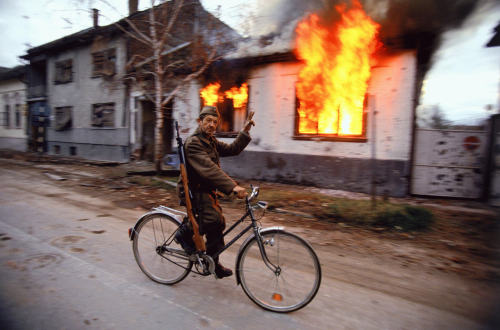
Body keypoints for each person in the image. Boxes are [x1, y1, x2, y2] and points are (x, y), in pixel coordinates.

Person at [176, 105, 255, 278]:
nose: (212, 125)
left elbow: (232, 149)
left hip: (207, 189)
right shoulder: (194, 143)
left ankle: (212, 262)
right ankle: (184, 233)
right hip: (194, 191)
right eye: (208, 121)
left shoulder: (210, 140)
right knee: (214, 220)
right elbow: (209, 169)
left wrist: (244, 131)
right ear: (200, 121)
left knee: (217, 223)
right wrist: (233, 186)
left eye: (215, 122)